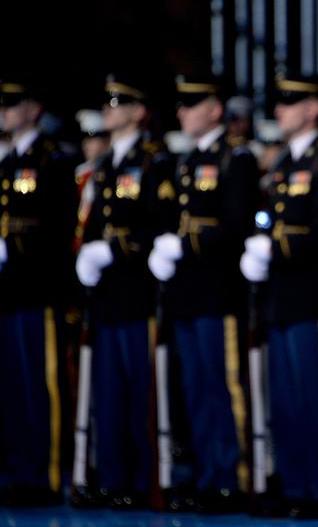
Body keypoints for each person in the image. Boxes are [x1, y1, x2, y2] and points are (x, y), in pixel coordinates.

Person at [239, 72, 318, 517]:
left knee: (315, 398)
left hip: (314, 297)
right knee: (285, 400)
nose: (280, 110)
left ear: (312, 108)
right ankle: (293, 483)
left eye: (290, 102)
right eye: (279, 102)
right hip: (282, 299)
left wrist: (277, 247)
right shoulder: (285, 161)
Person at [147, 73, 260, 513]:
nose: (183, 112)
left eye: (192, 104)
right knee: (191, 387)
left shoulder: (236, 158)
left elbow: (235, 224)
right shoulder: (185, 160)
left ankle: (229, 476)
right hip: (185, 293)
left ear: (215, 109)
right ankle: (201, 473)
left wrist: (186, 242)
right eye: (181, 105)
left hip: (217, 291)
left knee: (220, 386)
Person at [73, 74, 174, 509]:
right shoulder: (106, 164)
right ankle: (112, 477)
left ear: (139, 111)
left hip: (136, 291)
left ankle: (139, 480)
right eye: (108, 102)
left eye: (120, 102)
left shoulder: (153, 160)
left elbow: (158, 222)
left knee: (139, 392)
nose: (110, 109)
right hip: (108, 296)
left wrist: (115, 249)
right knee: (108, 393)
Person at [0, 75, 77, 506]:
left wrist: (11, 245)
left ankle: (43, 474)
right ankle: (14, 470)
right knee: (10, 384)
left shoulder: (52, 161)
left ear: (34, 109)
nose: (5, 111)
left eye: (13, 104)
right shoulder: (6, 161)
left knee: (38, 385)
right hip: (7, 290)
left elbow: (56, 227)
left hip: (37, 288)